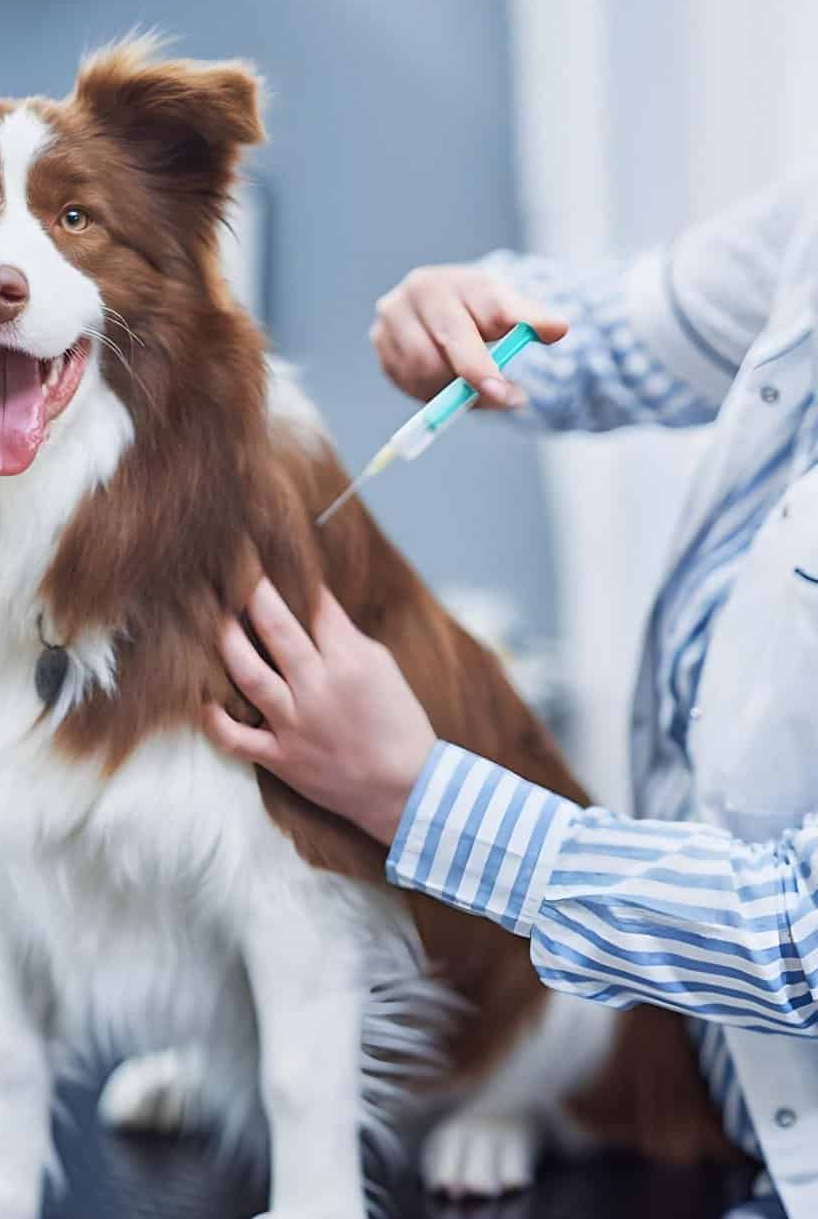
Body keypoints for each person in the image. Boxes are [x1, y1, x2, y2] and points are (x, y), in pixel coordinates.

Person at [205, 182, 817, 1219]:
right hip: (722, 1097)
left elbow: (799, 935)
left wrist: (422, 799)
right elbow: (617, 327)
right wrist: (468, 317)